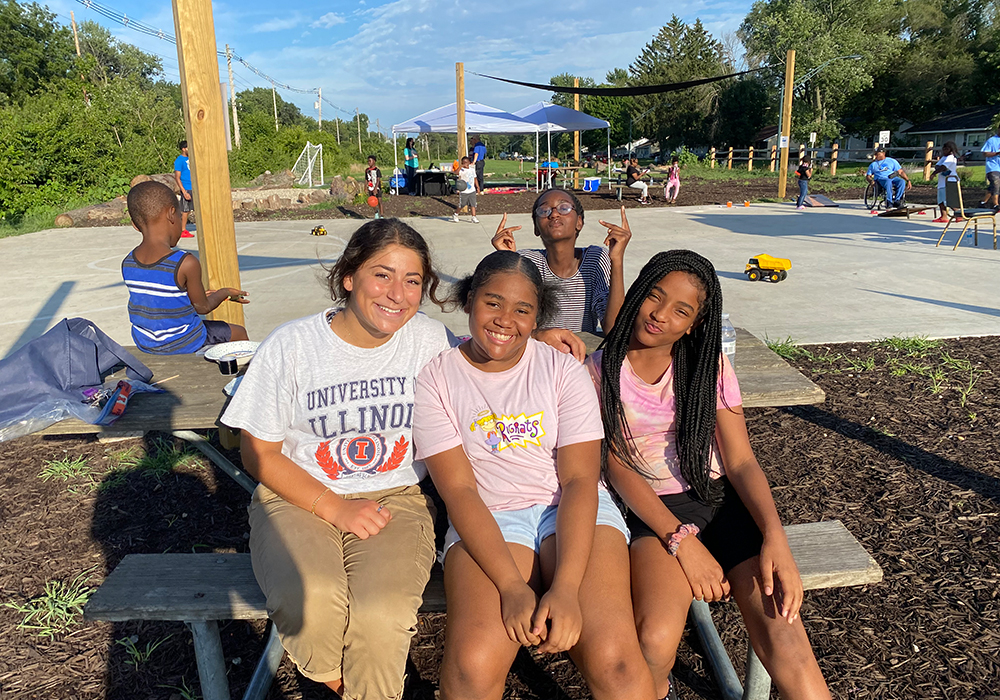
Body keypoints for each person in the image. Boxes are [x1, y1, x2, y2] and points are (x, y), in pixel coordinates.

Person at [221, 219, 452, 700]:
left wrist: (546, 340)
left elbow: (495, 359)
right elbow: (257, 452)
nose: (397, 294)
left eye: (413, 280)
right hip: (295, 495)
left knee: (381, 613)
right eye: (382, 274)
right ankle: (335, 681)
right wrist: (334, 507)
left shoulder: (431, 341)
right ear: (349, 276)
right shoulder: (293, 345)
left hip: (396, 496)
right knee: (313, 602)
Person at [587, 250, 832, 700]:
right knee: (655, 638)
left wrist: (775, 537)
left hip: (717, 500)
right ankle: (660, 690)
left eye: (681, 310)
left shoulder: (709, 366)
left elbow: (740, 462)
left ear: (696, 323)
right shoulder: (601, 369)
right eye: (654, 297)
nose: (660, 315)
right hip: (651, 510)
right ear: (638, 291)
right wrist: (681, 542)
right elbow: (617, 465)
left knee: (787, 639)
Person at [412, 250, 655, 700]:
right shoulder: (438, 378)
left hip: (571, 507)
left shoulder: (562, 369)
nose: (506, 319)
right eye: (492, 302)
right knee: (472, 667)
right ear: (468, 301)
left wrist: (564, 588)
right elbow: (460, 489)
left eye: (523, 309)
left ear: (537, 316)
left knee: (615, 661)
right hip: (489, 514)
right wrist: (510, 586)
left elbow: (581, 480)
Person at [122, 181, 248, 354]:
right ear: (171, 214)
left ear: (135, 225)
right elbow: (202, 307)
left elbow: (157, 300)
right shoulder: (185, 262)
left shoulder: (128, 262)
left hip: (146, 342)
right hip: (181, 341)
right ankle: (242, 378)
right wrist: (224, 293)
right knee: (239, 332)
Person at [491, 188, 630, 336]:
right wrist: (508, 262)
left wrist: (617, 260)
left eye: (564, 208)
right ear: (536, 228)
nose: (554, 214)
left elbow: (613, 329)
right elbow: (510, 323)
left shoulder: (595, 259)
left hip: (582, 355)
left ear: (579, 222)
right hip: (539, 354)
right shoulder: (528, 263)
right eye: (544, 210)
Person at [172, 140, 195, 238]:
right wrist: (184, 191)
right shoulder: (179, 160)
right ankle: (183, 230)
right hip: (186, 187)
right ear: (184, 149)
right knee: (185, 210)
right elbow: (177, 177)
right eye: (188, 148)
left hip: (194, 187)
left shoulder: (192, 158)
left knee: (193, 209)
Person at [933, 141, 960, 223]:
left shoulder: (951, 158)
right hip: (942, 182)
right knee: (941, 201)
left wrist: (934, 173)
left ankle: (959, 214)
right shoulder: (944, 158)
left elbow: (943, 167)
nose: (943, 151)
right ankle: (943, 216)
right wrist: (938, 168)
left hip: (949, 181)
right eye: (943, 149)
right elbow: (937, 166)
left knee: (949, 200)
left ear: (950, 150)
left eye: (946, 149)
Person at [452, 156, 480, 224]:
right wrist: (460, 167)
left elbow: (475, 178)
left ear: (469, 163)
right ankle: (456, 214)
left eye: (467, 163)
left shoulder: (472, 170)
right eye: (464, 163)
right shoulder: (461, 170)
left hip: (472, 190)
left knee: (473, 204)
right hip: (464, 190)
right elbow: (456, 173)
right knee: (462, 204)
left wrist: (477, 187)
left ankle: (474, 216)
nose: (465, 164)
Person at [980, 127, 1000, 210]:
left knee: (994, 186)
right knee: (996, 183)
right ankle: (996, 204)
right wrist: (997, 153)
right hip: (993, 166)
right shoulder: (992, 140)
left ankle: (983, 202)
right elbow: (985, 153)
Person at [365, 154, 384, 219]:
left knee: (379, 200)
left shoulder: (377, 170)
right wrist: (365, 187)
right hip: (370, 187)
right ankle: (376, 212)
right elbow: (366, 179)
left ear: (374, 161)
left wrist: (376, 188)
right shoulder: (367, 170)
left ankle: (381, 215)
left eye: (370, 161)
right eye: (368, 161)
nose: (369, 162)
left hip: (377, 187)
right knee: (372, 201)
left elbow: (378, 179)